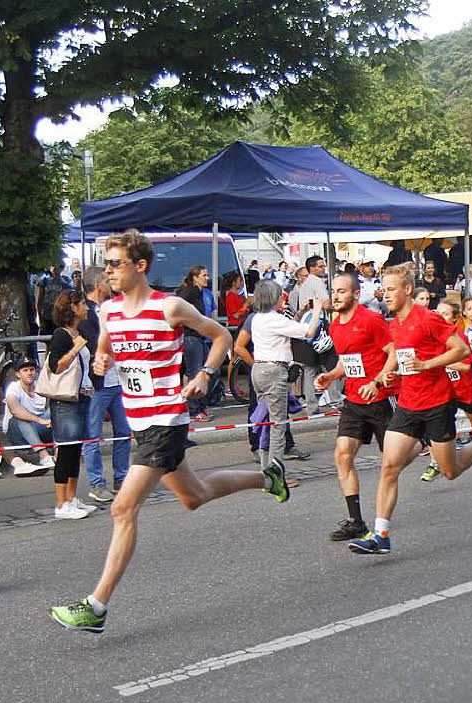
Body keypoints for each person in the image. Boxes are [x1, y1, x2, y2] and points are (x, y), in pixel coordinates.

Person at [48, 230, 290, 633]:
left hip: (166, 421)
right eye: (105, 265)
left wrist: (205, 373)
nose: (107, 272)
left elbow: (221, 336)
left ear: (139, 266)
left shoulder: (170, 306)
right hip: (139, 422)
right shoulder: (107, 311)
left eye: (115, 264)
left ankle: (97, 606)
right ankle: (268, 477)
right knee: (194, 496)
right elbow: (106, 348)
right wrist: (103, 362)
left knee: (122, 509)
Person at [347, 265, 472, 555]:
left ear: (407, 290)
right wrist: (383, 378)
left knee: (450, 470)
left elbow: (461, 351)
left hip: (437, 405)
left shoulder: (428, 319)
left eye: (390, 289)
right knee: (389, 466)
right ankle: (381, 535)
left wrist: (427, 365)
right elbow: (399, 358)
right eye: (383, 289)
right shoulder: (395, 323)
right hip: (408, 404)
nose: (385, 295)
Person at [313, 273, 396, 539]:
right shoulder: (336, 325)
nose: (335, 296)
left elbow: (393, 353)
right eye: (333, 291)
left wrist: (377, 382)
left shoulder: (371, 319)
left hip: (381, 400)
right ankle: (356, 521)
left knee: (392, 462)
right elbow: (346, 363)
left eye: (341, 291)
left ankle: (431, 439)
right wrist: (330, 376)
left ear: (356, 294)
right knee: (342, 454)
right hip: (354, 401)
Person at [250, 280, 324, 471]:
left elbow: (289, 326)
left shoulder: (258, 317)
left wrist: (300, 313)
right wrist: (316, 311)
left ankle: (267, 471)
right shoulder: (275, 319)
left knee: (268, 424)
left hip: (259, 370)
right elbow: (308, 332)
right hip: (274, 372)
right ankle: (276, 475)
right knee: (278, 426)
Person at [44, 290, 98, 519]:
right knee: (66, 449)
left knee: (76, 449)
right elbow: (56, 366)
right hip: (64, 401)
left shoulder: (80, 331)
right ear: (73, 307)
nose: (87, 307)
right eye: (83, 304)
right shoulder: (61, 335)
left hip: (81, 396)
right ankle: (60, 503)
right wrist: (76, 348)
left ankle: (71, 497)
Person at [79, 267, 130, 502]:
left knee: (123, 432)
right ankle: (97, 483)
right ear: (99, 284)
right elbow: (90, 345)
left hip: (118, 380)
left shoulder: (111, 308)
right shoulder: (85, 313)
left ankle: (122, 477)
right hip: (97, 384)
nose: (111, 284)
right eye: (107, 281)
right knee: (93, 435)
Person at [420, 299, 472, 482]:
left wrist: (441, 362)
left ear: (455, 318)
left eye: (445, 314)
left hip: (464, 389)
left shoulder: (459, 337)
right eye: (437, 312)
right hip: (444, 391)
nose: (440, 316)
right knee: (436, 426)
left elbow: (466, 367)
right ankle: (435, 462)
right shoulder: (433, 337)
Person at [3, 358, 55, 475]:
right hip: (16, 433)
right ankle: (44, 456)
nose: (29, 373)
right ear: (18, 374)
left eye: (32, 369)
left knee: (56, 410)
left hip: (37, 429)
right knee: (21, 418)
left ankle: (59, 449)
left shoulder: (39, 386)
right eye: (25, 370)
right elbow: (15, 410)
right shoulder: (13, 387)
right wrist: (39, 420)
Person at [176, 265, 214, 422]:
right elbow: (177, 305)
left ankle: (201, 403)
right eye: (204, 275)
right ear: (195, 278)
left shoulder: (199, 293)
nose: (207, 278)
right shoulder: (190, 292)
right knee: (194, 373)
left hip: (200, 337)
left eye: (207, 275)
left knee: (211, 371)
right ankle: (193, 409)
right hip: (191, 337)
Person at [36, 264, 70, 336]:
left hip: (59, 317)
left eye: (58, 267)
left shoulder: (65, 284)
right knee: (47, 340)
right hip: (47, 316)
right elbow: (39, 301)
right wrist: (40, 319)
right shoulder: (44, 281)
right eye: (53, 266)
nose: (55, 269)